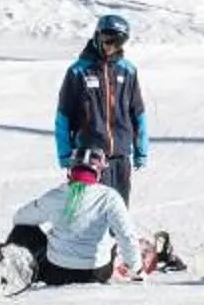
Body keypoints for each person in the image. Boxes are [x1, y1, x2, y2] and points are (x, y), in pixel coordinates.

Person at [9, 144, 141, 286]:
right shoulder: (109, 197)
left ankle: (13, 270)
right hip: (96, 273)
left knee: (22, 230)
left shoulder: (55, 195)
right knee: (111, 241)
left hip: (57, 272)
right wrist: (135, 267)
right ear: (99, 172)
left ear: (71, 170)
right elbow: (126, 234)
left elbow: (20, 218)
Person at [55, 12, 147, 200]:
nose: (109, 46)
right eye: (106, 39)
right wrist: (65, 154)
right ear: (97, 35)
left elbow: (137, 113)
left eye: (117, 42)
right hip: (89, 157)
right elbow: (63, 117)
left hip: (121, 157)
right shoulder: (78, 71)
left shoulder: (128, 71)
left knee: (119, 210)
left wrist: (141, 151)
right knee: (93, 212)